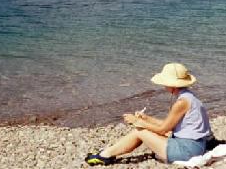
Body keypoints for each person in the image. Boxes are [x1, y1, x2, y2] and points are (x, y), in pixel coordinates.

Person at [85, 63, 213, 166]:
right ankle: (107, 154)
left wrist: (137, 122)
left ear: (171, 84)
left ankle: (104, 156)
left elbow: (163, 129)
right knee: (143, 130)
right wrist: (146, 118)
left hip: (188, 150)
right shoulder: (189, 97)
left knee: (139, 132)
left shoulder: (181, 103)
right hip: (195, 145)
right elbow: (167, 125)